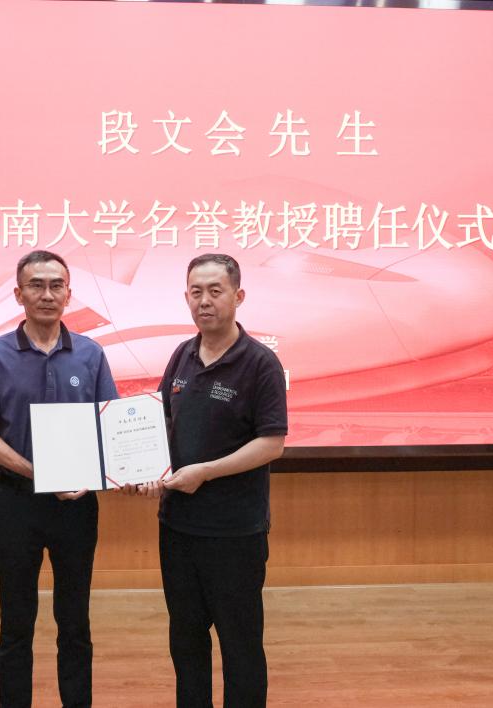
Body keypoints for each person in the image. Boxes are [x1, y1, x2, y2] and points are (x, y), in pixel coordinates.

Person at [0, 250, 118, 708]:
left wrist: (99, 475)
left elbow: (109, 428)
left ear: (69, 294)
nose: (47, 294)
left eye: (56, 285)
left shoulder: (91, 354)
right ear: (18, 294)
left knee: (75, 624)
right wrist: (40, 474)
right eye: (36, 285)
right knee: (16, 625)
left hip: (77, 505)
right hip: (17, 505)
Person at [138, 253, 287, 708]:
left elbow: (271, 444)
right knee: (186, 641)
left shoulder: (260, 363)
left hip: (235, 532)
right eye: (196, 292)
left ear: (238, 296)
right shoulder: (182, 355)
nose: (204, 301)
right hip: (178, 527)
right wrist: (144, 469)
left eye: (215, 291)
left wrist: (206, 471)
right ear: (186, 298)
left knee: (240, 644)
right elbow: (162, 425)